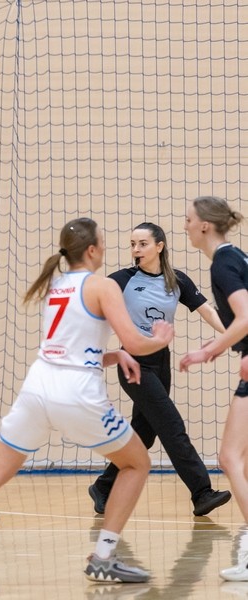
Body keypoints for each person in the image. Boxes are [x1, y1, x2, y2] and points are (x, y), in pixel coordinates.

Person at [0, 217, 175, 587]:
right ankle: (103, 557)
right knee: (137, 463)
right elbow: (137, 343)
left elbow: (72, 346)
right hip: (76, 393)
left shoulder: (55, 285)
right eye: (104, 244)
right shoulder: (103, 286)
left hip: (37, 388)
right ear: (92, 250)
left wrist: (113, 355)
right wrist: (160, 339)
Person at [88, 222, 230, 517]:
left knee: (145, 433)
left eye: (142, 244)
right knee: (172, 426)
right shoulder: (122, 280)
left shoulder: (177, 280)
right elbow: (91, 305)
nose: (136, 250)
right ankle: (202, 492)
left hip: (161, 364)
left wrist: (234, 332)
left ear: (159, 246)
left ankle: (103, 486)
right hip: (133, 363)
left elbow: (208, 311)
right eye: (132, 244)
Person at [178, 196, 248, 581]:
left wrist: (208, 351)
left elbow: (246, 316)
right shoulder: (235, 257)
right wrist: (225, 347)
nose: (185, 226)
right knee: (242, 462)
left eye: (189, 219)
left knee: (229, 458)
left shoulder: (223, 261)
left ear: (204, 224)